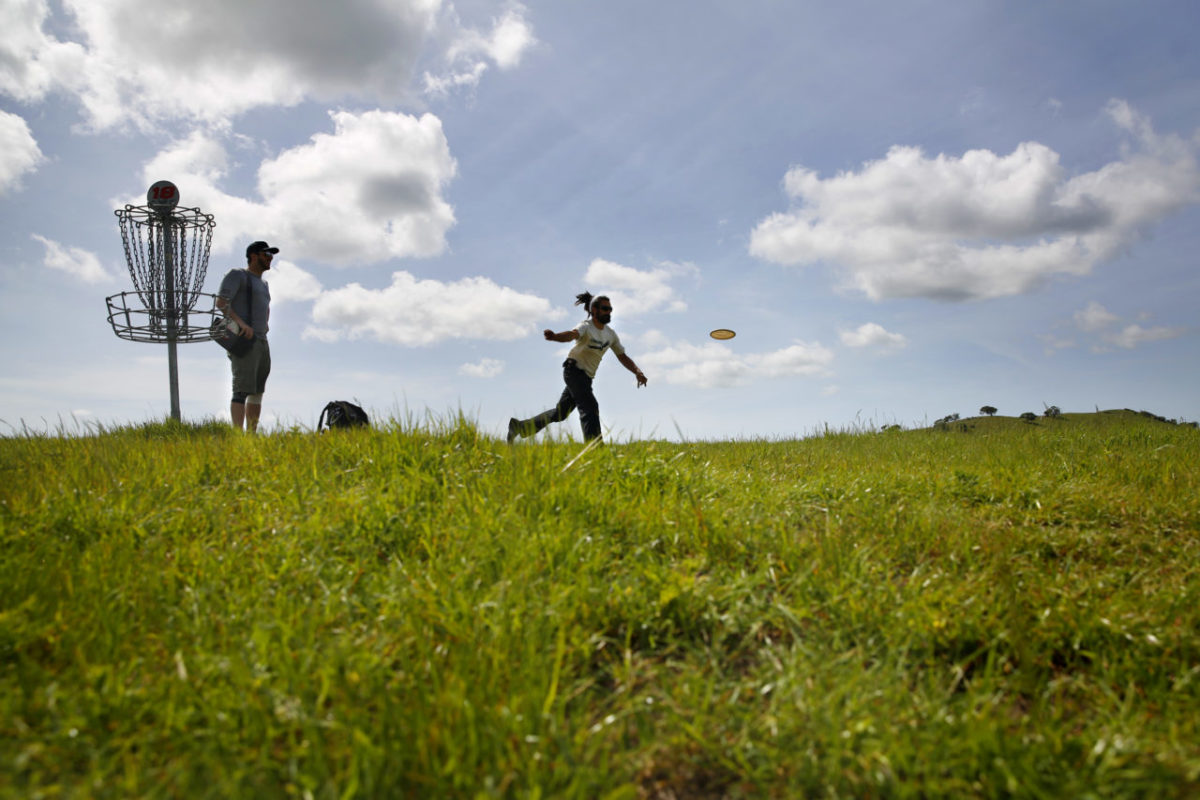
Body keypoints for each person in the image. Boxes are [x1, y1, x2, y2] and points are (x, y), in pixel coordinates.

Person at [508, 291, 648, 444]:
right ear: (594, 310)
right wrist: (555, 337)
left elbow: (622, 356)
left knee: (560, 414)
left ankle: (520, 427)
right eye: (605, 309)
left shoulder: (611, 335)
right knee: (590, 406)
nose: (609, 312)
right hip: (573, 371)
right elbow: (572, 334)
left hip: (586, 378)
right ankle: (594, 448)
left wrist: (637, 372)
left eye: (610, 309)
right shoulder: (586, 327)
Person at [216, 240, 276, 433]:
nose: (270, 258)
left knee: (257, 390)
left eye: (271, 255)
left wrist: (265, 326)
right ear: (253, 256)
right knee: (241, 389)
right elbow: (221, 302)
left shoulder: (264, 284)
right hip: (245, 340)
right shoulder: (237, 275)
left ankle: (251, 435)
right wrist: (241, 324)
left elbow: (265, 308)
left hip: (261, 340)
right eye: (266, 254)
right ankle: (237, 435)